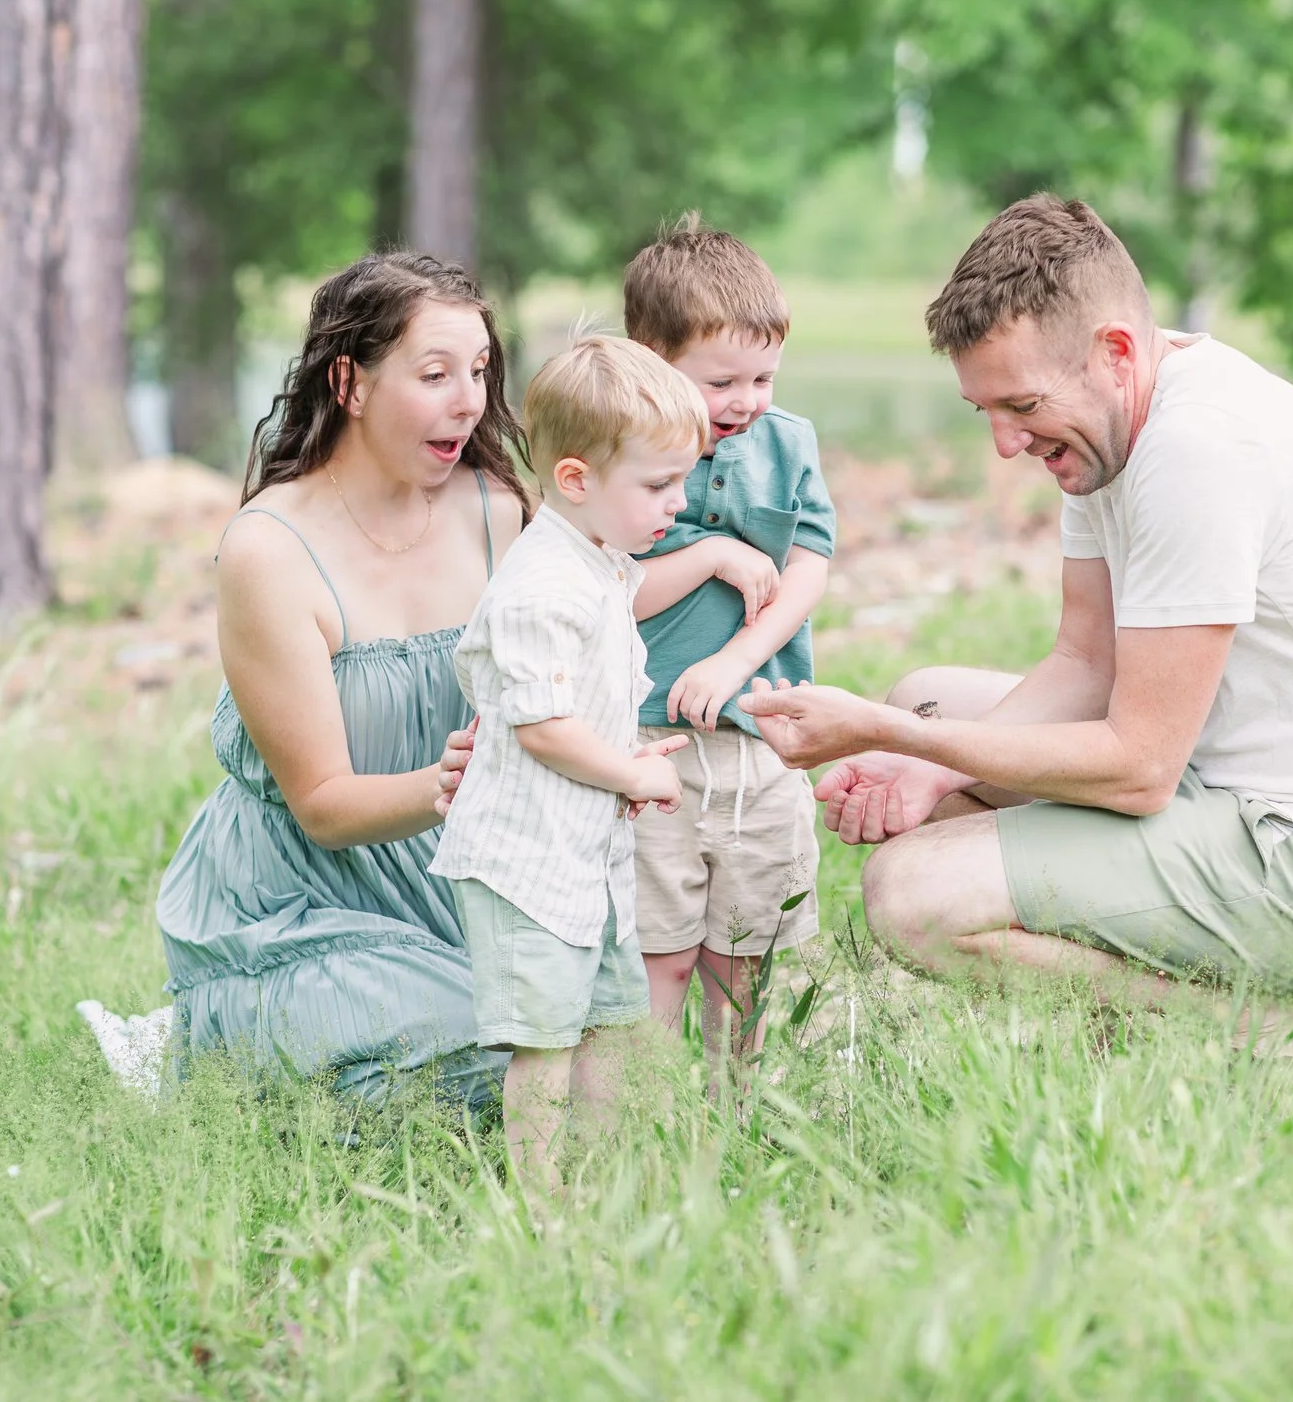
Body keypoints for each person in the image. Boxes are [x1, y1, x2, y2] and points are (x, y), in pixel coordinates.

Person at [739, 195, 1293, 1052]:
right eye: (987, 412)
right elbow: (1084, 661)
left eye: (1023, 405)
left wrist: (894, 737)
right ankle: (1116, 1036)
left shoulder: (1198, 453)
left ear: (1113, 351)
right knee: (933, 697)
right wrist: (923, 754)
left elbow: (1141, 766)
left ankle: (1266, 1025)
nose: (1008, 443)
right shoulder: (1110, 427)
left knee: (910, 892)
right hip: (1224, 787)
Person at [149, 252, 528, 1106]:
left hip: (457, 875)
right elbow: (322, 802)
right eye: (434, 374)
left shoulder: (493, 510)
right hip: (297, 901)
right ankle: (210, 1051)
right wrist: (464, 779)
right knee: (493, 1070)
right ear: (350, 382)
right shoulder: (268, 551)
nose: (468, 400)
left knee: (584, 1043)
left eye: (477, 370)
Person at [430, 336, 705, 1188]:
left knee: (610, 1021)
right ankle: (541, 1200)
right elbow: (544, 727)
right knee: (544, 1039)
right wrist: (631, 773)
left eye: (681, 479)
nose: (679, 502)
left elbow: (577, 709)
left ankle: (603, 1175)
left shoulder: (601, 564)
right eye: (658, 485)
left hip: (585, 856)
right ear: (578, 480)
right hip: (528, 861)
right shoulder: (539, 585)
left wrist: (621, 754)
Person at [617, 220, 835, 1060]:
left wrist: (738, 659)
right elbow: (607, 596)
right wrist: (709, 554)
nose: (746, 400)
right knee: (656, 946)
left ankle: (731, 1111)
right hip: (645, 736)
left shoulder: (787, 444)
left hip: (760, 732)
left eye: (763, 377)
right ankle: (642, 1107)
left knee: (747, 948)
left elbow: (809, 567)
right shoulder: (612, 453)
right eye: (721, 382)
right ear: (649, 358)